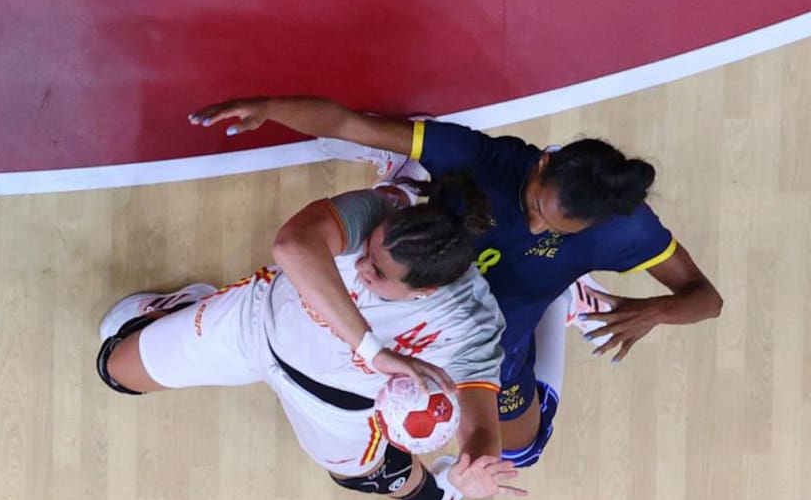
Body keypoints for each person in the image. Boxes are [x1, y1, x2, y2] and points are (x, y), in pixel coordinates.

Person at [188, 95, 723, 468]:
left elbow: (706, 300)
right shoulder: (484, 159)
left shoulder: (625, 229)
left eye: (558, 230)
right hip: (416, 284)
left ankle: (561, 296)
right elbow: (348, 123)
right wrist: (269, 109)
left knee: (521, 451)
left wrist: (652, 312)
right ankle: (406, 177)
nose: (536, 226)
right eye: (536, 207)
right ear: (541, 165)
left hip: (495, 334)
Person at [96, 176, 524, 500]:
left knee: (366, 476)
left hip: (334, 411)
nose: (362, 266)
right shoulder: (383, 210)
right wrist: (373, 350)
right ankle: (191, 305)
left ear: (423, 291)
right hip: (256, 325)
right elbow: (293, 245)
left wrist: (475, 465)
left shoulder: (470, 322)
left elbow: (480, 425)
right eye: (368, 250)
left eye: (377, 271)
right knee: (114, 369)